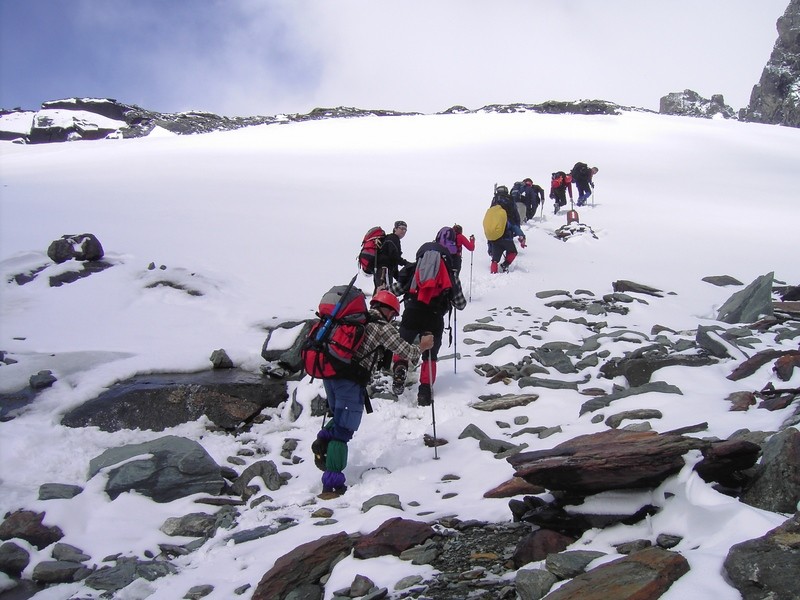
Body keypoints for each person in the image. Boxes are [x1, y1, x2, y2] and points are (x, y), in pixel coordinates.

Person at [314, 290, 433, 498]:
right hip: (349, 382)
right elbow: (407, 352)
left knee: (338, 416)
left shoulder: (354, 320)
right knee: (344, 430)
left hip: (330, 375)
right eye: (393, 315)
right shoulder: (382, 328)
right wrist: (423, 346)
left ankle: (323, 440)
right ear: (388, 311)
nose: (393, 318)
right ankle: (332, 484)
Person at [389, 241, 467, 406]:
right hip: (434, 317)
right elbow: (460, 304)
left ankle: (400, 369)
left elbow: (394, 291)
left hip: (411, 313)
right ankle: (424, 390)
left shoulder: (413, 268)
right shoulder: (451, 274)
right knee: (430, 355)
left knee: (402, 346)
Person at [374, 220, 410, 290]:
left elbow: (393, 260)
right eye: (402, 228)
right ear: (395, 229)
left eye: (405, 229)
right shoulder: (392, 238)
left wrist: (398, 277)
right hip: (384, 270)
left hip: (383, 270)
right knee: (383, 291)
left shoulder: (392, 239)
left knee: (381, 291)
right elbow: (394, 256)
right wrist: (407, 263)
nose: (404, 231)